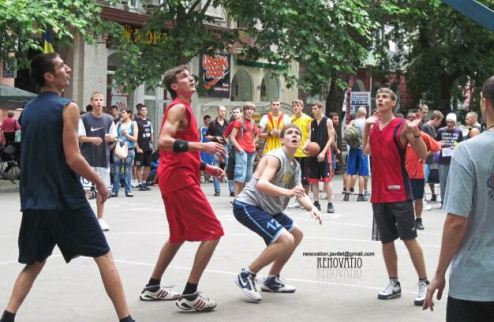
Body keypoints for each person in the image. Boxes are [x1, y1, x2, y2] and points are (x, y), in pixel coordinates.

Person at [0, 53, 135, 322]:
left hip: (35, 200)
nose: (68, 68)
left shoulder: (28, 112)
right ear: (49, 76)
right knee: (103, 255)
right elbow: (73, 157)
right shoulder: (67, 107)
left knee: (35, 262)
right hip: (65, 198)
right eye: (62, 66)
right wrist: (99, 182)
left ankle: (7, 318)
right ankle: (126, 319)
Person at [139, 65, 225, 312]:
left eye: (190, 75)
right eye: (185, 77)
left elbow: (179, 151)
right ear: (175, 86)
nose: (191, 78)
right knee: (213, 231)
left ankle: (152, 287)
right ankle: (190, 294)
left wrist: (206, 169)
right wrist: (202, 146)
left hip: (176, 176)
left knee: (178, 236)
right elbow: (164, 142)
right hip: (179, 180)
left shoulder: (184, 108)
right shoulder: (178, 107)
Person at [423, 75, 494, 321]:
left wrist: (439, 273)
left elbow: (456, 220)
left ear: (484, 103)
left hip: (476, 283)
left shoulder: (469, 150)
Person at [233, 124, 322, 302]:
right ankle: (247, 275)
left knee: (296, 234)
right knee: (285, 239)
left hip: (269, 209)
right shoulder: (276, 157)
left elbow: (299, 193)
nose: (294, 135)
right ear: (282, 139)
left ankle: (272, 279)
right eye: (290, 133)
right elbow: (262, 184)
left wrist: (311, 207)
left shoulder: (295, 165)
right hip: (249, 205)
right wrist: (287, 193)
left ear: (301, 141)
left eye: (297, 133)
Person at [363, 87, 429, 306]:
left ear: (393, 103)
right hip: (378, 194)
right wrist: (366, 127)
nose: (379, 99)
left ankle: (423, 283)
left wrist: (416, 133)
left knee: (409, 240)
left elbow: (422, 154)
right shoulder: (373, 127)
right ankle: (394, 283)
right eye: (378, 96)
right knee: (387, 241)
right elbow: (367, 150)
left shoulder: (402, 126)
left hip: (399, 192)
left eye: (384, 97)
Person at [78, 91, 116, 231]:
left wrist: (110, 138)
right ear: (91, 102)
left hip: (102, 159)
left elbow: (114, 137)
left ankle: (100, 218)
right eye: (96, 99)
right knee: (85, 190)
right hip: (87, 159)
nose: (99, 102)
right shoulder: (84, 118)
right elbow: (80, 137)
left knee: (102, 190)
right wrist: (91, 139)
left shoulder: (109, 119)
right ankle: (84, 219)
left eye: (101, 99)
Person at [308, 101, 335, 213]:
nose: (313, 111)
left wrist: (323, 152)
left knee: (327, 180)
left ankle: (330, 203)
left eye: (315, 108)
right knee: (314, 181)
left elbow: (331, 138)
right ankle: (316, 202)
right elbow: (309, 138)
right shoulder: (312, 123)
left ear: (320, 109)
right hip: (313, 154)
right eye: (312, 109)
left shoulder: (328, 121)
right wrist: (307, 147)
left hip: (324, 154)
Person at [288, 99, 312, 208]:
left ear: (302, 107)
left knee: (305, 178)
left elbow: (310, 136)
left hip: (304, 153)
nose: (296, 107)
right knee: (295, 178)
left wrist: (306, 145)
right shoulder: (291, 120)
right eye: (294, 106)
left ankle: (305, 199)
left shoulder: (308, 119)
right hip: (294, 153)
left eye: (298, 105)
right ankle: (298, 200)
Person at [230, 103, 258, 196]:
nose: (250, 111)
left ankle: (242, 197)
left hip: (251, 151)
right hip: (242, 150)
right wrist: (239, 148)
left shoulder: (253, 122)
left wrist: (254, 144)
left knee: (248, 176)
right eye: (247, 109)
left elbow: (256, 135)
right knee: (240, 175)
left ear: (254, 111)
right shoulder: (239, 121)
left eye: (251, 109)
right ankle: (236, 198)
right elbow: (232, 137)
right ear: (244, 110)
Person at [436, 113, 463, 205]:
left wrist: (456, 146)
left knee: (453, 181)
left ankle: (452, 200)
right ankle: (444, 200)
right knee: (443, 181)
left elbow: (460, 143)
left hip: (454, 159)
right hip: (443, 159)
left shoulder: (458, 132)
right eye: (447, 122)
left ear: (454, 122)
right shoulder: (441, 131)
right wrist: (440, 144)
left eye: (451, 122)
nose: (449, 124)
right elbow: (435, 142)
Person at [344, 106, 369, 202]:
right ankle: (360, 195)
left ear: (358, 113)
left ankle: (347, 194)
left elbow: (347, 131)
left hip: (353, 149)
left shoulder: (353, 122)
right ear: (365, 114)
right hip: (363, 149)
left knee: (350, 172)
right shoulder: (367, 122)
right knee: (362, 174)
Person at [111, 109, 138, 197]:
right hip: (119, 148)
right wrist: (116, 139)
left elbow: (135, 138)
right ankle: (115, 190)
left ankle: (128, 190)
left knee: (127, 170)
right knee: (116, 170)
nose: (121, 114)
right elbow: (113, 136)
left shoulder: (133, 124)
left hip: (129, 149)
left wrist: (126, 135)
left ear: (129, 114)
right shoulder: (118, 123)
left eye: (123, 113)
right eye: (121, 113)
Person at [205, 106, 229, 196]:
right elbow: (207, 136)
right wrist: (215, 137)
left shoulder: (227, 123)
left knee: (229, 166)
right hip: (216, 146)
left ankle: (232, 190)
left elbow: (232, 135)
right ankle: (217, 190)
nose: (222, 113)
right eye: (221, 111)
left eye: (224, 111)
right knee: (216, 165)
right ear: (218, 111)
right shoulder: (213, 123)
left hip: (226, 147)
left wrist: (228, 139)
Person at [422, 110, 443, 203]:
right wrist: (438, 143)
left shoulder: (432, 127)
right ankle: (421, 197)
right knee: (425, 176)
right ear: (435, 119)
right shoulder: (426, 127)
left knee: (431, 175)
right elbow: (427, 141)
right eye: (440, 121)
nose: (440, 123)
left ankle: (433, 194)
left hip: (431, 155)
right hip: (426, 155)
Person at [134, 104, 154, 191]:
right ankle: (140, 183)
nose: (144, 112)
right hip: (140, 146)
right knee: (139, 166)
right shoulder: (136, 121)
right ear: (139, 111)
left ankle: (144, 182)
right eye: (142, 110)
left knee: (148, 165)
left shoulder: (149, 121)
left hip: (148, 146)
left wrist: (152, 144)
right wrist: (137, 147)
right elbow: (134, 135)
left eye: (145, 110)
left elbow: (151, 133)